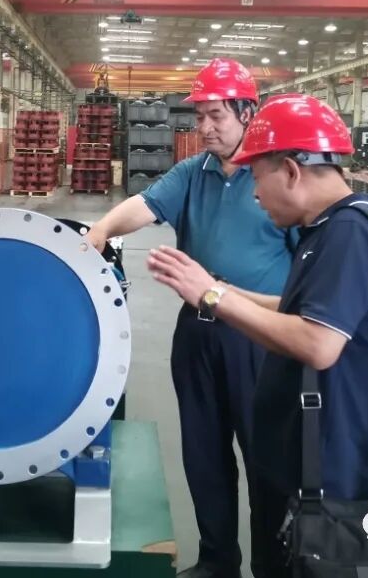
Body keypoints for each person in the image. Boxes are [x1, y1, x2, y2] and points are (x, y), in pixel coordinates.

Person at [146, 93, 368, 578]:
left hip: (334, 464)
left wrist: (213, 297)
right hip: (309, 450)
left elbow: (318, 342)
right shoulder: (325, 231)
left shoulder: (350, 234)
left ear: (291, 171)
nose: (254, 194)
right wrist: (224, 290)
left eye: (256, 178)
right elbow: (296, 309)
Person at [86, 59, 295, 578]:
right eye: (200, 116)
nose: (205, 127)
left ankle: (274, 566)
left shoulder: (273, 176)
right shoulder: (192, 173)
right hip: (198, 335)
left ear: (247, 112)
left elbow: (308, 268)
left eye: (216, 115)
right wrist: (101, 231)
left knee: (267, 462)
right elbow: (143, 206)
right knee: (204, 455)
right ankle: (218, 561)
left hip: (259, 338)